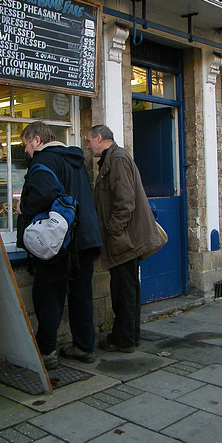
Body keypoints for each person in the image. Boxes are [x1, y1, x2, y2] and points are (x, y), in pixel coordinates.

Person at [16, 121, 102, 369]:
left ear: (37, 140)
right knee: (81, 294)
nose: (26, 151)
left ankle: (46, 351)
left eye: (26, 144)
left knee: (48, 295)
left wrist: (23, 207)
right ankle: (84, 347)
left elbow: (43, 195)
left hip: (59, 243)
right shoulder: (74, 160)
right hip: (85, 239)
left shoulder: (42, 161)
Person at [86, 124, 164, 353]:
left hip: (123, 240)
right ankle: (131, 335)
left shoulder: (117, 159)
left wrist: (113, 231)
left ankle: (123, 339)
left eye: (89, 140)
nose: (88, 145)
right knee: (128, 289)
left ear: (99, 138)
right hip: (125, 239)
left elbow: (125, 201)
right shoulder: (114, 158)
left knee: (123, 291)